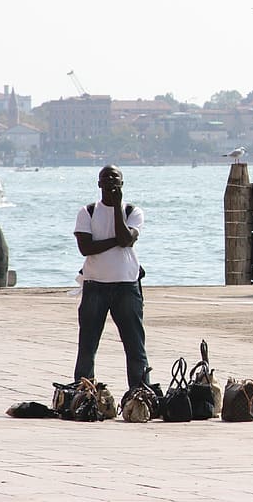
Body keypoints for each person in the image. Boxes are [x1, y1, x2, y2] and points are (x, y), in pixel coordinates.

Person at [73, 165, 150, 389]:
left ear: (122, 183)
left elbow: (127, 239)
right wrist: (118, 241)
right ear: (99, 184)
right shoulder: (87, 212)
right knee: (87, 344)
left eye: (114, 177)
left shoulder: (131, 212)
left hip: (127, 286)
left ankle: (140, 392)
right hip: (95, 285)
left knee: (135, 345)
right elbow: (86, 248)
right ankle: (83, 391)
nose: (110, 180)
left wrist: (117, 208)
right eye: (105, 177)